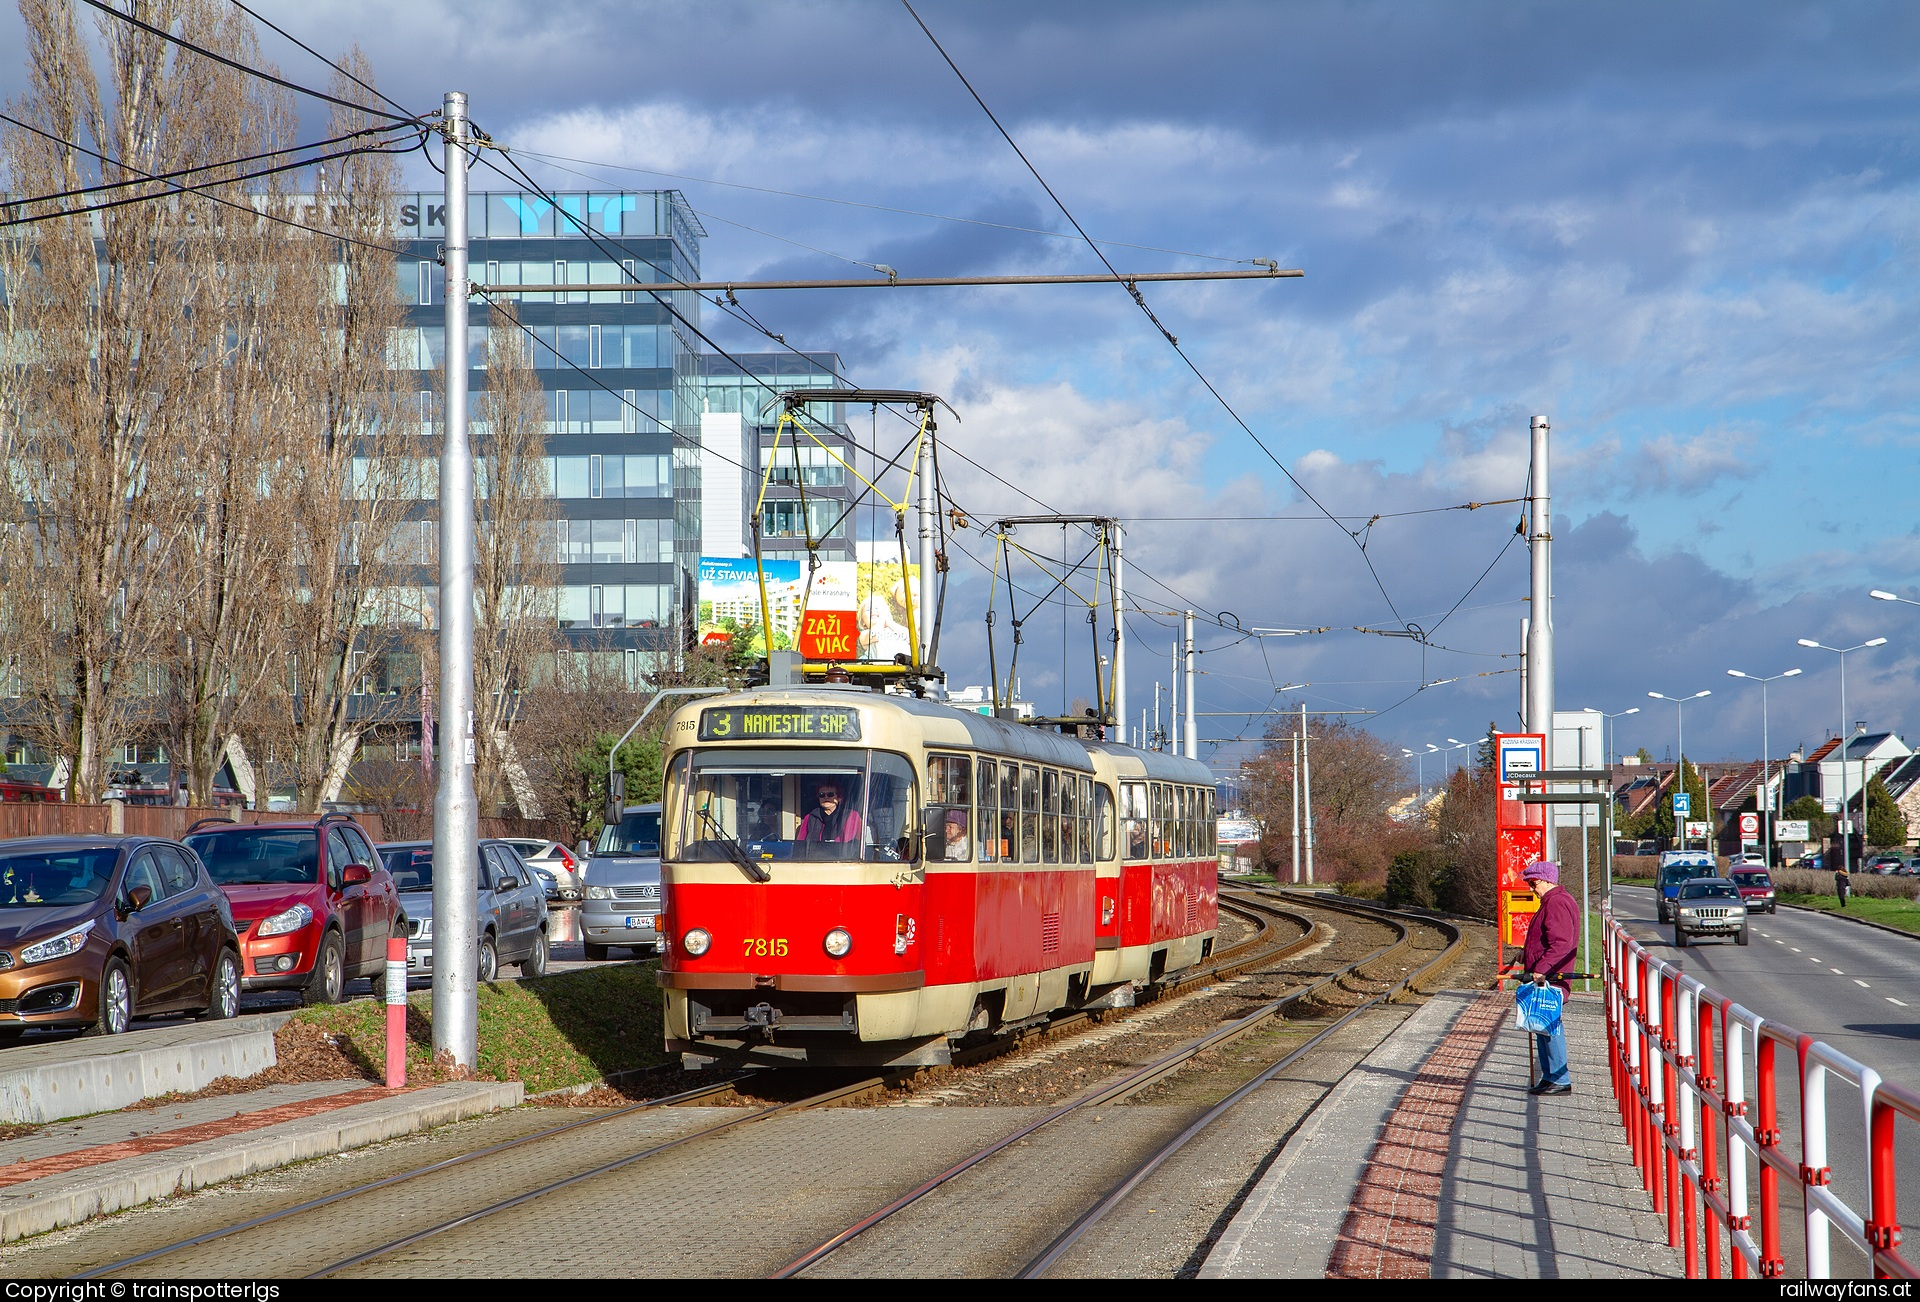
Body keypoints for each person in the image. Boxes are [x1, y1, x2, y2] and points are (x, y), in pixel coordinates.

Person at [1518, 858, 1581, 1096]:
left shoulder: (1556, 903)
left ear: (1545, 880)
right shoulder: (1553, 901)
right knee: (1543, 1025)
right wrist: (1526, 953)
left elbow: (1561, 943)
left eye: (1533, 883)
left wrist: (1542, 967)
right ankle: (1550, 1076)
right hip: (1548, 974)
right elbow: (1546, 938)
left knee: (1550, 1025)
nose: (1531, 889)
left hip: (1552, 975)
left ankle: (1560, 1078)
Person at [796, 779, 864, 844]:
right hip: (815, 855)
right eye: (822, 795)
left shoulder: (851, 816)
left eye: (830, 794)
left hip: (843, 855)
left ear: (839, 797)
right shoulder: (809, 818)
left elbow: (853, 843)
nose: (826, 797)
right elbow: (800, 844)